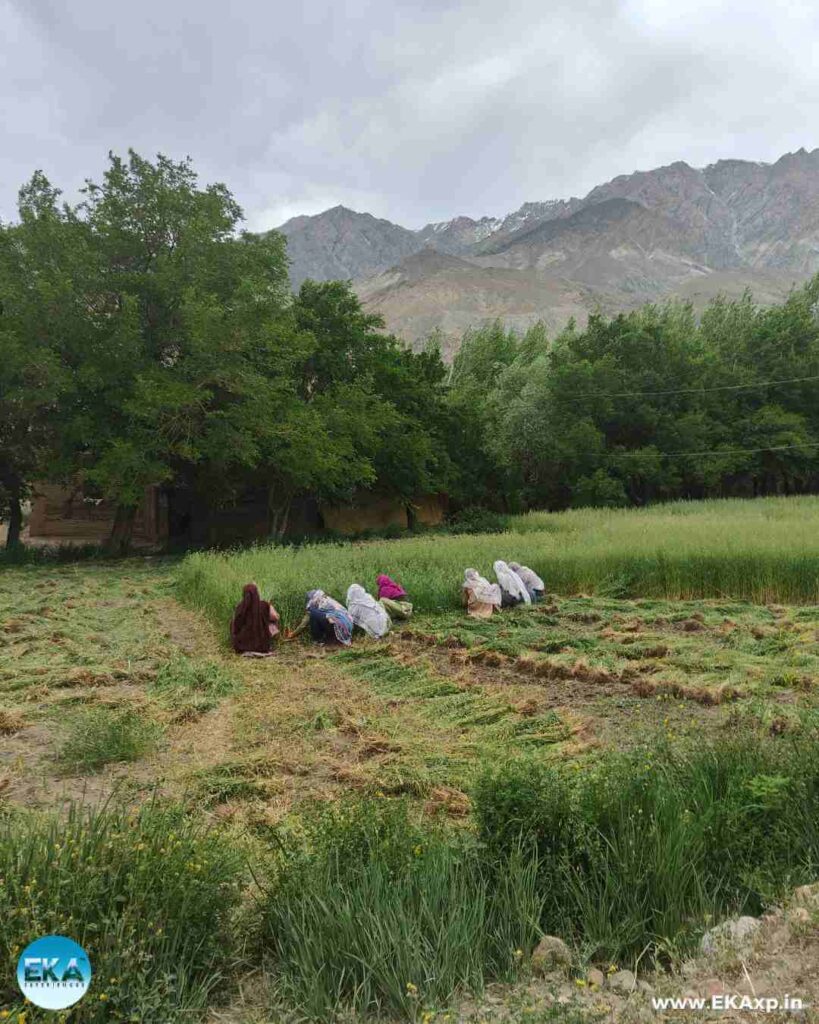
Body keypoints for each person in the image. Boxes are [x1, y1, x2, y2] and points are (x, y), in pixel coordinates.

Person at [287, 589, 353, 646]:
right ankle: (329, 638)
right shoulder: (328, 600)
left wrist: (293, 634)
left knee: (313, 614)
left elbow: (304, 624)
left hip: (339, 627)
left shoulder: (313, 605)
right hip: (348, 627)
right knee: (321, 616)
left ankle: (318, 640)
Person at [230, 582, 280, 656]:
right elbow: (276, 617)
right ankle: (270, 641)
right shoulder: (264, 605)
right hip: (262, 646)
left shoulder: (240, 607)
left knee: (232, 622)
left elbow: (236, 625)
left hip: (242, 645)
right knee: (272, 622)